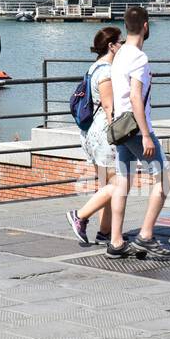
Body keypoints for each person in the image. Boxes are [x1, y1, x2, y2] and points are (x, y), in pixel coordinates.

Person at [106, 6, 170, 259]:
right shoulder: (139, 58)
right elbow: (135, 97)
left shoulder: (119, 53)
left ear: (126, 26)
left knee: (123, 182)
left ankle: (116, 241)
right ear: (146, 25)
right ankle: (145, 236)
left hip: (120, 128)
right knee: (165, 179)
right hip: (135, 128)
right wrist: (145, 134)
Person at [66, 26, 122, 246]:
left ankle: (105, 232)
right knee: (119, 185)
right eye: (121, 42)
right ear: (111, 46)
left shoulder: (93, 68)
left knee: (106, 186)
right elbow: (109, 107)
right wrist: (119, 134)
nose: (124, 45)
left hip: (91, 133)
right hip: (104, 136)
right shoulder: (106, 71)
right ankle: (79, 216)